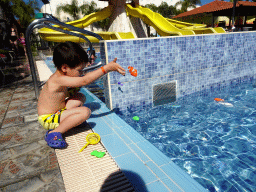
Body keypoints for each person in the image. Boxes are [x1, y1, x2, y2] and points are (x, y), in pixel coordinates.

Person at [37, 42, 126, 149]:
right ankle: (54, 133)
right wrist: (106, 68)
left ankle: (71, 122)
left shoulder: (60, 76)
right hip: (48, 118)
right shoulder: (58, 79)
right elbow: (84, 80)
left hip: (57, 111)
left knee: (80, 97)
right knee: (85, 112)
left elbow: (61, 94)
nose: (81, 73)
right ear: (64, 68)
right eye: (79, 70)